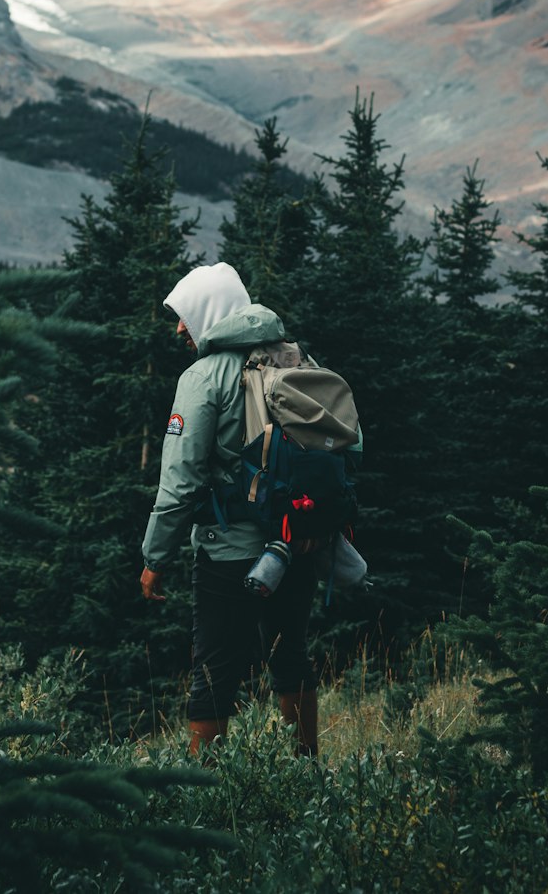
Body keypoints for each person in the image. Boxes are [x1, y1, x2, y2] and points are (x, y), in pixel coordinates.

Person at [139, 262, 320, 757]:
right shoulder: (300, 359)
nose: (179, 327)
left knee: (214, 669)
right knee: (291, 659)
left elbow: (179, 482)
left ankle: (204, 794)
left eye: (185, 315)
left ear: (210, 312)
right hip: (295, 542)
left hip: (227, 553)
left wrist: (155, 559)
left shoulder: (203, 377)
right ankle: (309, 778)